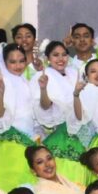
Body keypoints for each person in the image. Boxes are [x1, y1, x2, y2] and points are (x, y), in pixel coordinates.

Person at [0, 43, 41, 191]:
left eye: (21, 61)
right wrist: (0, 93)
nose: (18, 66)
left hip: (28, 139)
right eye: (12, 62)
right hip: (7, 141)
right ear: (4, 62)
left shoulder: (26, 82)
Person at [36, 41, 86, 178]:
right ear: (48, 58)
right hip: (58, 130)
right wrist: (43, 89)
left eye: (64, 54)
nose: (61, 59)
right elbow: (45, 106)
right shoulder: (44, 75)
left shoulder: (75, 73)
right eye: (56, 55)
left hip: (82, 126)